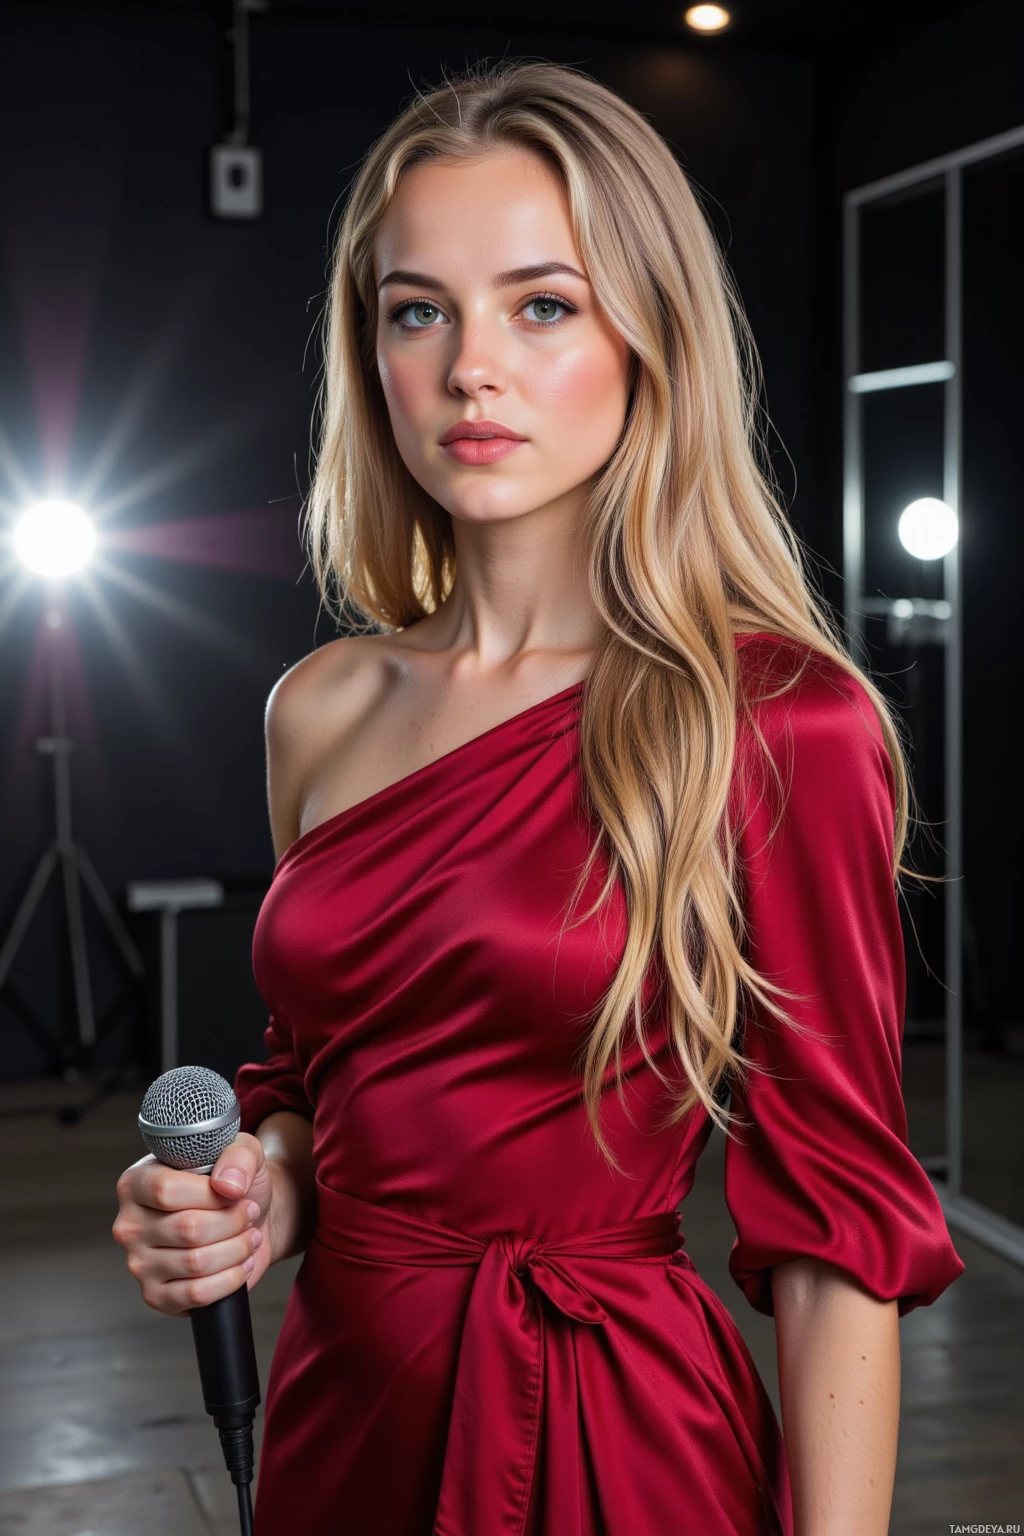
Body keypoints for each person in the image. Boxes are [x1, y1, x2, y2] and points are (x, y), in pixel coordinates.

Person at [113, 59, 965, 1535]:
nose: (469, 369)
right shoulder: (320, 707)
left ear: (650, 337)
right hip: (337, 1420)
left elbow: (839, 1239)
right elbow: (325, 1078)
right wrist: (254, 1195)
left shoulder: (777, 723)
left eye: (543, 304)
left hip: (613, 1434)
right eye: (418, 309)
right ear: (368, 351)